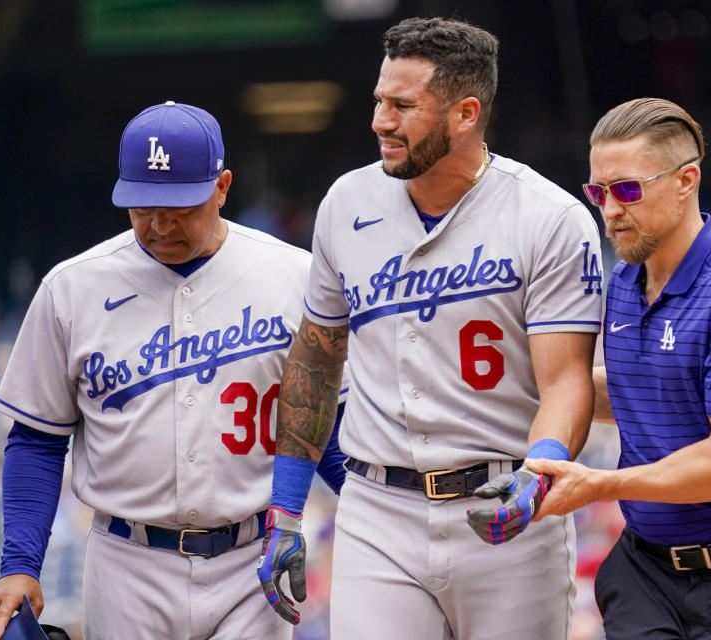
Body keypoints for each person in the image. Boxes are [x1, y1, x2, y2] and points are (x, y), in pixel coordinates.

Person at [256, 16, 604, 640]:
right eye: (378, 101)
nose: (379, 122)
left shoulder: (549, 217)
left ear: (465, 113)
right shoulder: (345, 203)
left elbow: (567, 380)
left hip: (504, 505)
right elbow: (313, 362)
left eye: (401, 105)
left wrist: (544, 465)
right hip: (377, 509)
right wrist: (284, 508)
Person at [0, 101, 347, 640]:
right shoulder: (72, 288)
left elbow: (325, 424)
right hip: (127, 566)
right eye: (143, 205)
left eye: (179, 205)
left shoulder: (295, 276)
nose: (160, 223)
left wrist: (374, 517)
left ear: (222, 187)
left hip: (253, 560)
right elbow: (36, 439)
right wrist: (19, 565)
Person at [526, 97, 711, 639]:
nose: (610, 209)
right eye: (598, 192)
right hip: (646, 576)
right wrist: (525, 385)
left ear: (686, 180)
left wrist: (598, 486)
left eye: (627, 189)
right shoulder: (623, 282)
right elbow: (639, 395)